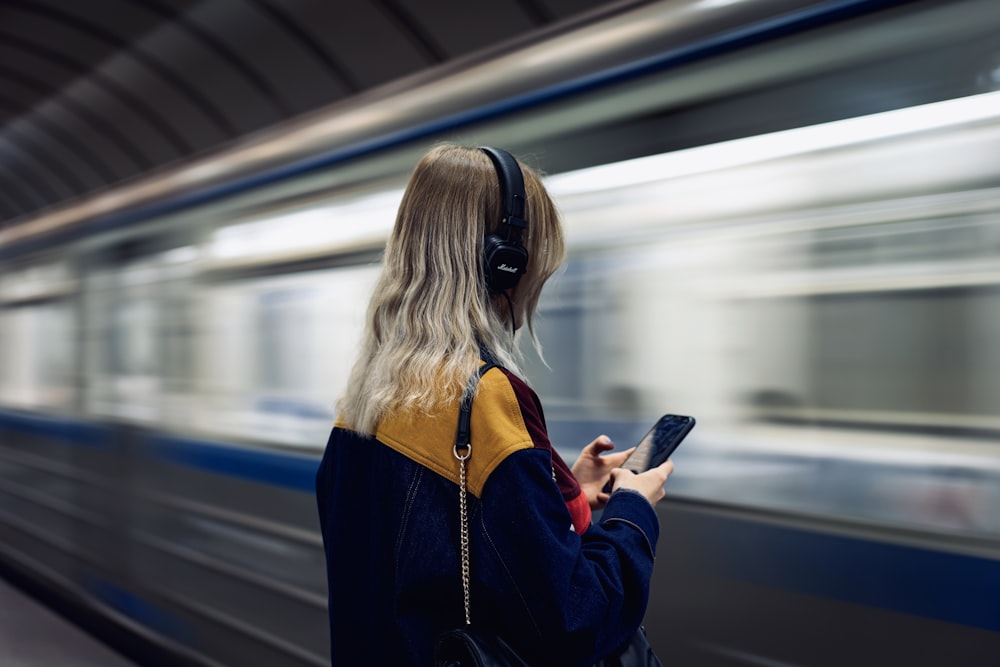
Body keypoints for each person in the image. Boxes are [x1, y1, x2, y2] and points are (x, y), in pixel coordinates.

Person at [315, 144, 673, 666]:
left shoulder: (363, 403)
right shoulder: (481, 400)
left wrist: (562, 489)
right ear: (504, 264)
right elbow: (576, 617)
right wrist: (633, 511)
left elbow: (445, 549)